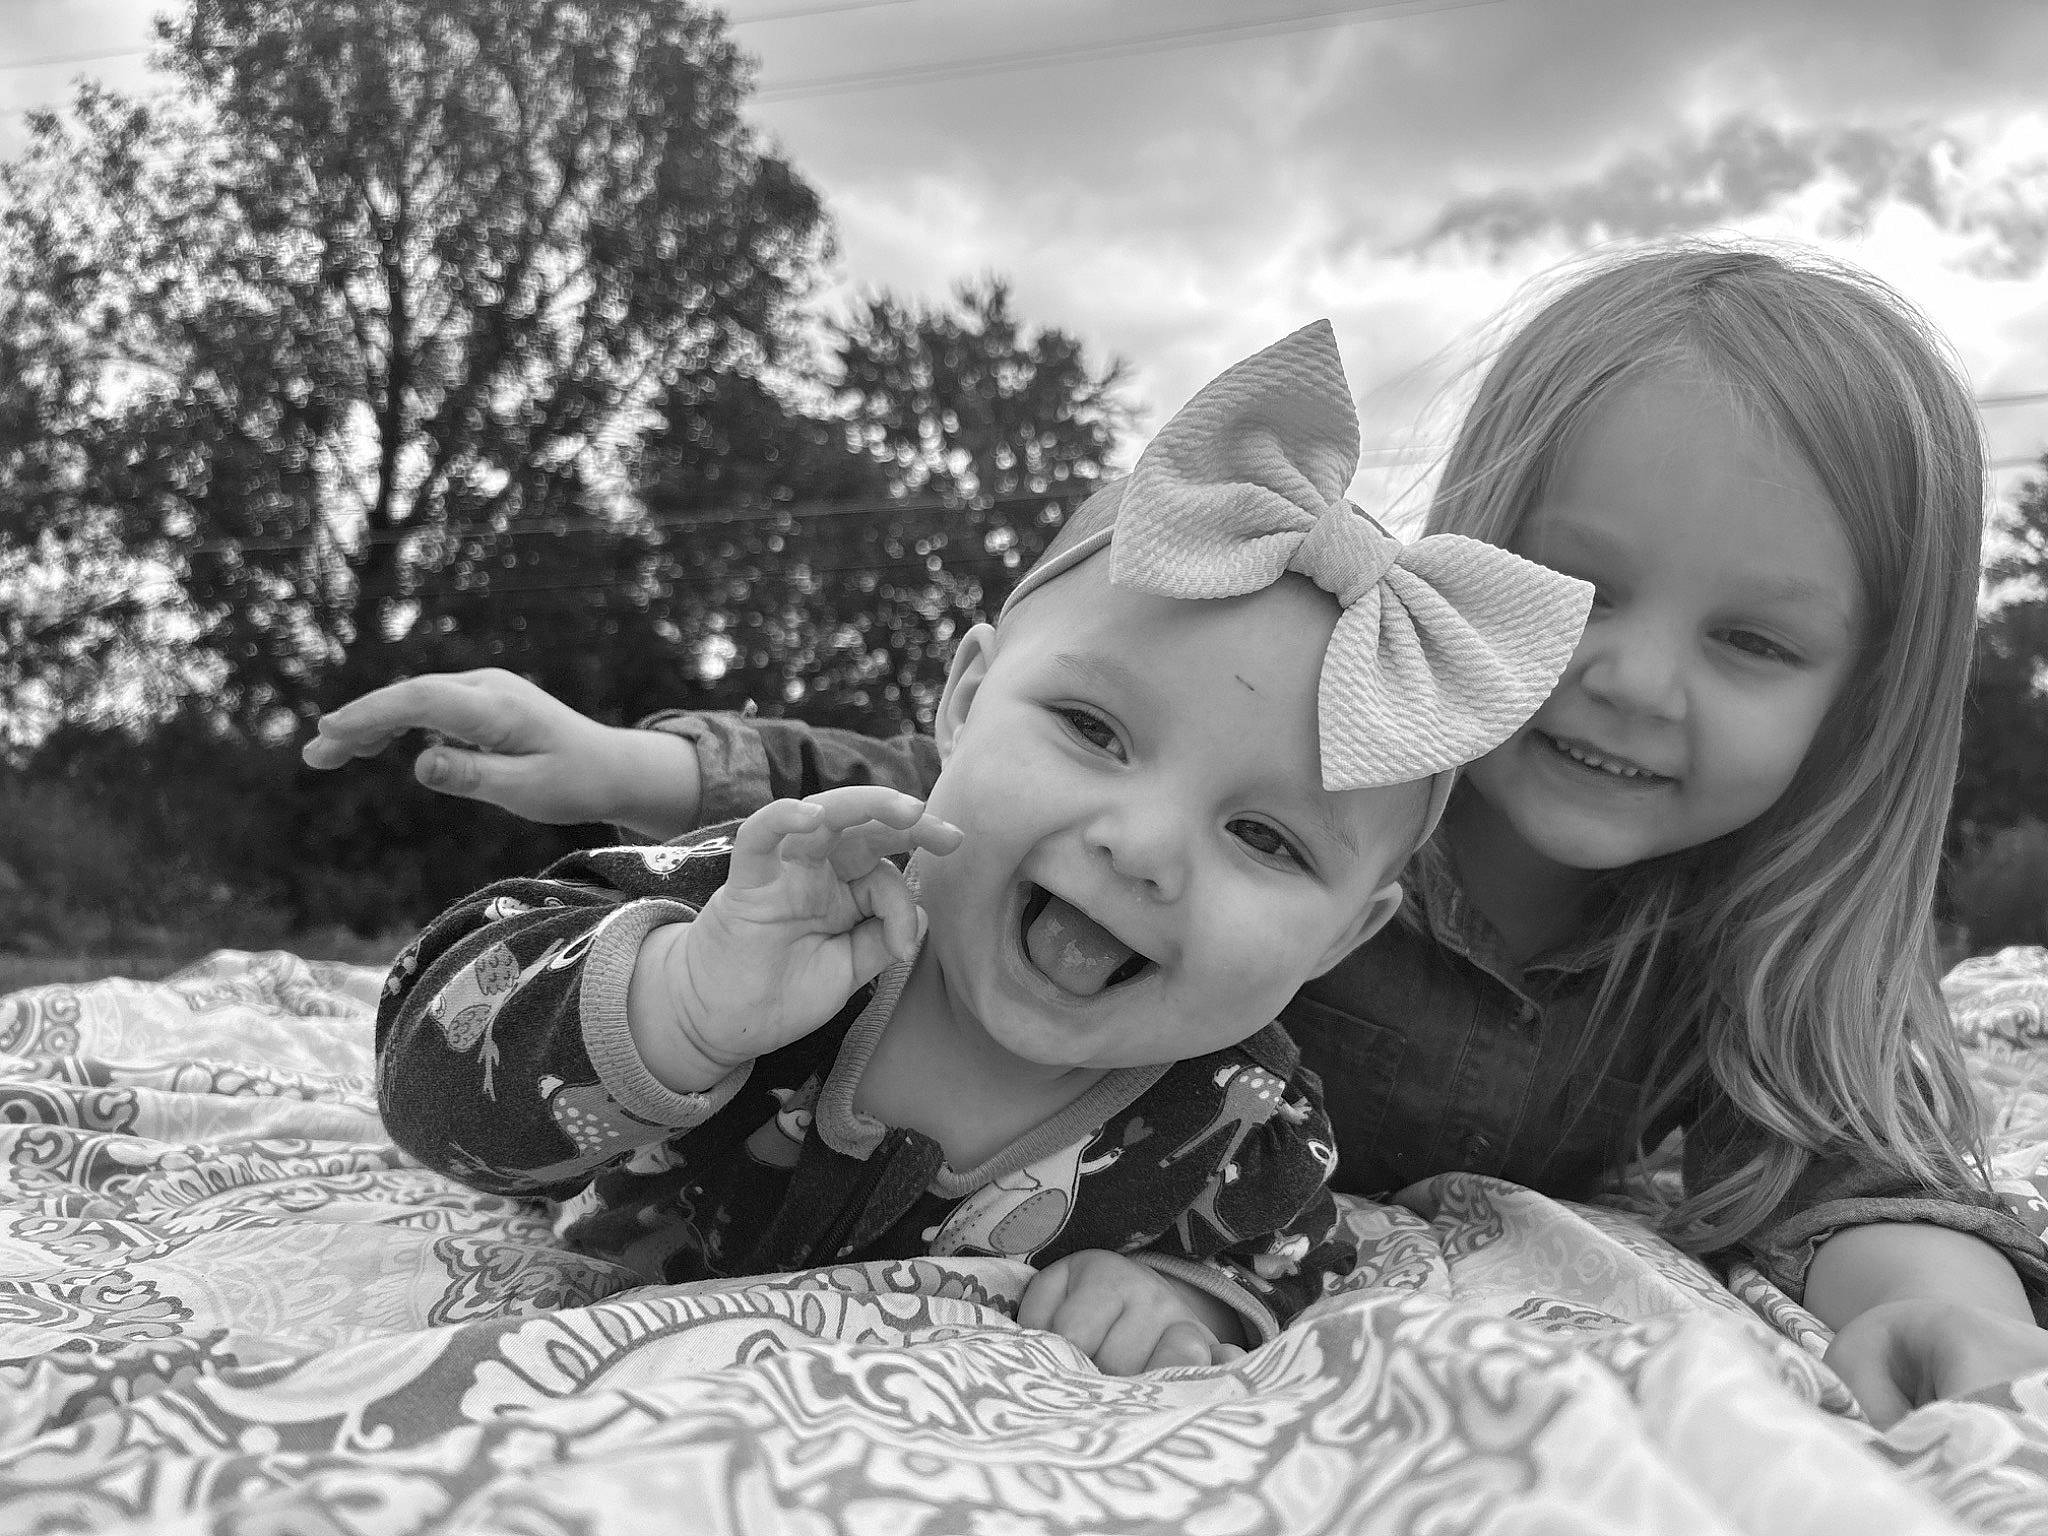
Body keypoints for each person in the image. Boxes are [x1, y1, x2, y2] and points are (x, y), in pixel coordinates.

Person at [312, 240, 2048, 1424]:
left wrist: (1930, 1299)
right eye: (1579, 587)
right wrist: (646, 767)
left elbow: (1845, 1145)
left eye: (1750, 643)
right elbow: (946, 780)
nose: (1630, 679)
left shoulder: (1738, 943)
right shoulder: (1288, 748)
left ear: (1862, 701)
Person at [368, 322, 1594, 1376]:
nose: (1144, 845)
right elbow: (430, 1088)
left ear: (1346, 935)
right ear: (961, 703)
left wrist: (1184, 1300)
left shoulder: (1239, 1126)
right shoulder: (774, 906)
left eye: (1266, 837)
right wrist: (674, 1004)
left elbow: (1297, 1268)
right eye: (1092, 728)